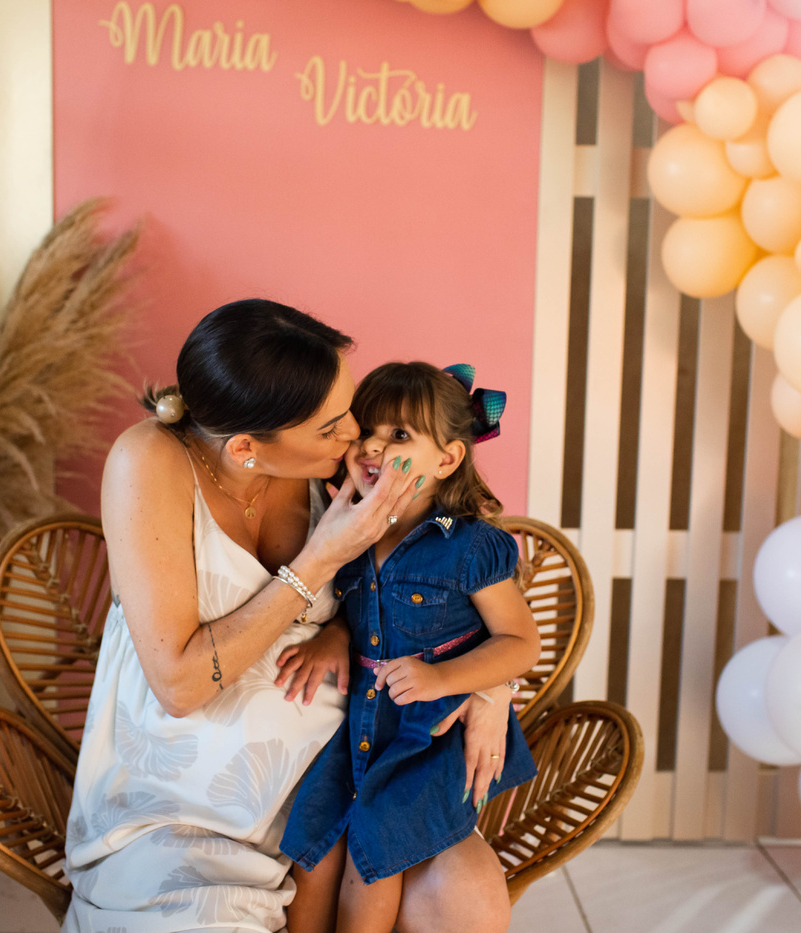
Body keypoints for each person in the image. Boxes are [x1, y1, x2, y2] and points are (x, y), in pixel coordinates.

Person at [62, 300, 517, 933]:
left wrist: (491, 686)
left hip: (358, 772)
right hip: (195, 815)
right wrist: (321, 556)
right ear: (247, 447)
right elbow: (179, 685)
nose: (357, 436)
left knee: (467, 899)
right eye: (333, 428)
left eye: (351, 412)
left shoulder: (337, 468)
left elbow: (435, 591)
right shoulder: (149, 462)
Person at [278, 361, 540, 933]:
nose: (372, 446)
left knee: (376, 848)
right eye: (367, 430)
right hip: (364, 724)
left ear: (447, 460)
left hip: (429, 736)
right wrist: (334, 636)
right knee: (314, 839)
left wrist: (443, 679)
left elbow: (521, 643)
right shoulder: (352, 533)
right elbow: (360, 613)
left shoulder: (469, 546)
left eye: (398, 435)